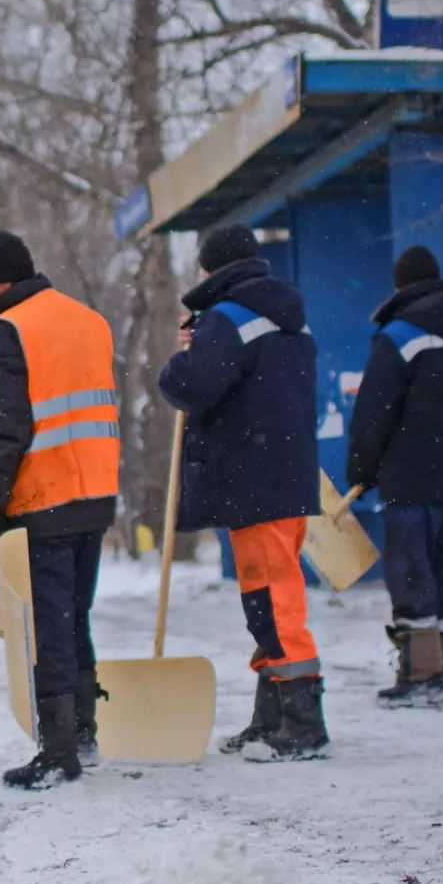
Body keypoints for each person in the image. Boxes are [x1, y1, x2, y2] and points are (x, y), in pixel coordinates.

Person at [158, 225, 327, 762]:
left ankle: (303, 723)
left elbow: (192, 385)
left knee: (274, 600)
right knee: (268, 598)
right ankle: (272, 714)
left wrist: (181, 359)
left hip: (253, 479)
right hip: (287, 477)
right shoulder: (288, 319)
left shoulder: (227, 320)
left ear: (210, 270)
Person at [0, 231, 120, 790]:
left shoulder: (7, 333)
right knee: (75, 615)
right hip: (96, 492)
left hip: (42, 497)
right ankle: (83, 730)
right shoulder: (88, 320)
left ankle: (57, 752)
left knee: (48, 625)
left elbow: (5, 432)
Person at [347, 246, 443, 706]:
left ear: (400, 286)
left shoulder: (399, 335)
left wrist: (362, 470)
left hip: (409, 476)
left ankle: (420, 675)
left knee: (411, 572)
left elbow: (374, 412)